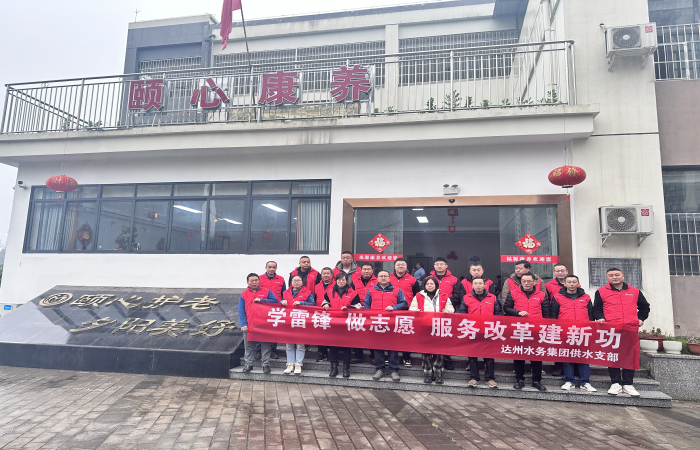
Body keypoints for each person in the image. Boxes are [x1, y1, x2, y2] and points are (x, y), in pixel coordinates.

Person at [593, 268, 650, 397]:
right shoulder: (601, 292)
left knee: (630, 355)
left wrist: (640, 318)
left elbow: (645, 307)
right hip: (611, 329)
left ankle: (628, 383)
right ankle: (616, 383)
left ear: (623, 276)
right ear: (607, 278)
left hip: (630, 329)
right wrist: (600, 317)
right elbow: (596, 309)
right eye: (611, 275)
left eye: (617, 275)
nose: (614, 277)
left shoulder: (634, 291)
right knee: (612, 355)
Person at [549, 274, 597, 392]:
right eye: (569, 282)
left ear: (578, 284)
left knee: (584, 357)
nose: (571, 284)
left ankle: (585, 382)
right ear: (565, 284)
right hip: (566, 331)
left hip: (583, 332)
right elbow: (553, 315)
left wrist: (591, 329)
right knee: (567, 357)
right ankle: (569, 381)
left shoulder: (586, 297)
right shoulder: (558, 297)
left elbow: (591, 315)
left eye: (574, 282)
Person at [504, 272, 549, 391]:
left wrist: (545, 329)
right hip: (519, 329)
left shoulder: (542, 295)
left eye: (529, 281)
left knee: (536, 355)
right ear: (521, 282)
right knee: (519, 355)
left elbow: (546, 313)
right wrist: (517, 312)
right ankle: (519, 379)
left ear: (534, 282)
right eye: (524, 281)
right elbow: (506, 308)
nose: (526, 283)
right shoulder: (513, 293)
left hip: (536, 329)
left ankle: (536, 380)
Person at [364, 270, 408, 382]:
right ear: (377, 278)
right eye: (381, 276)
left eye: (385, 276)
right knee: (378, 346)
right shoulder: (371, 290)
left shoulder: (397, 290)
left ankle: (394, 370)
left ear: (389, 278)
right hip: (376, 322)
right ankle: (379, 369)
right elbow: (366, 306)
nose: (383, 278)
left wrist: (394, 308)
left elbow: (404, 303)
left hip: (391, 323)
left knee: (392, 346)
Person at [409, 276, 453, 384]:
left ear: (436, 285)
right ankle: (427, 374)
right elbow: (412, 308)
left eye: (432, 284)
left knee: (439, 351)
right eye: (427, 284)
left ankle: (438, 374)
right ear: (424, 285)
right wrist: (418, 311)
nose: (429, 286)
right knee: (426, 352)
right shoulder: (418, 296)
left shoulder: (444, 295)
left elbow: (451, 308)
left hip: (439, 326)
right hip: (424, 327)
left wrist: (447, 311)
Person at [460, 277, 501, 388]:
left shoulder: (492, 297)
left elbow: (498, 314)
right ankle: (474, 378)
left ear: (484, 285)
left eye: (480, 283)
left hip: (488, 330)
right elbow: (462, 314)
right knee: (472, 356)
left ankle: (490, 378)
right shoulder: (466, 298)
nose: (478, 285)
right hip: (473, 330)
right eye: (475, 283)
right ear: (472, 285)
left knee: (489, 356)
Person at [322, 272, 362, 378]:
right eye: (339, 280)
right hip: (333, 322)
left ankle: (346, 368)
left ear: (346, 281)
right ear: (336, 281)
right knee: (333, 346)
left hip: (346, 323)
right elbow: (325, 301)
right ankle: (334, 367)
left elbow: (358, 306)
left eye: (343, 280)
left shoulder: (353, 293)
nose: (341, 282)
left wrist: (349, 308)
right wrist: (325, 304)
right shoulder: (329, 291)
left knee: (346, 346)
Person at [238, 273, 279, 374]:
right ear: (247, 282)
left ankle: (266, 364)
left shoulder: (266, 291)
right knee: (249, 346)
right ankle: (249, 364)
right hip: (249, 324)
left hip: (264, 324)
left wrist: (262, 300)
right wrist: (243, 324)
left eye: (256, 280)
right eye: (252, 280)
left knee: (265, 345)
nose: (254, 282)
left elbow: (275, 301)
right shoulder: (244, 294)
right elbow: (241, 310)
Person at [429, 257, 465, 370]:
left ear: (446, 266)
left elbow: (458, 295)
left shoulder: (454, 279)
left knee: (446, 337)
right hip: (431, 312)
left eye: (442, 264)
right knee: (431, 336)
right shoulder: (428, 279)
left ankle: (447, 360)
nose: (439, 266)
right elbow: (423, 293)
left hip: (447, 312)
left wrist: (444, 302)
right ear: (434, 266)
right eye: (437, 264)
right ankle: (433, 360)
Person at [281, 275, 316, 375]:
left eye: (298, 280)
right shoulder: (286, 292)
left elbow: (312, 304)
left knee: (300, 345)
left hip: (301, 321)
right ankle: (290, 364)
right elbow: (280, 302)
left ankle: (298, 364)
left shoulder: (307, 292)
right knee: (289, 345)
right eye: (294, 280)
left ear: (302, 282)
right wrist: (282, 301)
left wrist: (301, 303)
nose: (296, 282)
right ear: (291, 282)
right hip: (288, 321)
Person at [390, 258, 421, 366]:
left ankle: (406, 357)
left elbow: (417, 295)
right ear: (394, 266)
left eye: (403, 264)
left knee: (407, 334)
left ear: (406, 266)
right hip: (392, 309)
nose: (400, 266)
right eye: (398, 264)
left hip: (407, 310)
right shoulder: (388, 278)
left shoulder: (412, 279)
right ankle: (391, 357)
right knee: (391, 334)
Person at [349, 262, 378, 363]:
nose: (366, 271)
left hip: (372, 311)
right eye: (364, 269)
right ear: (361, 271)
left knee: (373, 334)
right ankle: (358, 356)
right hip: (358, 311)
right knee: (357, 333)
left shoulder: (377, 281)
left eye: (368, 269)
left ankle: (373, 356)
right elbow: (350, 295)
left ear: (372, 271)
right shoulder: (355, 282)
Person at [257, 261, 286, 360]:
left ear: (276, 268)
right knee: (260, 330)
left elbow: (284, 294)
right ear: (266, 268)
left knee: (274, 331)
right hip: (262, 307)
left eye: (274, 267)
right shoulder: (259, 279)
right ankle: (258, 351)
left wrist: (283, 301)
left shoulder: (281, 279)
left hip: (275, 308)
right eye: (269, 267)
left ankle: (273, 351)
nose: (271, 269)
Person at [544, 263, 569, 377]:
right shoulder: (548, 285)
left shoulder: (573, 283)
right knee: (558, 344)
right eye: (557, 271)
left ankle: (574, 367)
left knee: (572, 344)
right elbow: (545, 302)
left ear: (566, 271)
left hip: (571, 319)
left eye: (562, 270)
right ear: (554, 272)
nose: (560, 273)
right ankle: (558, 367)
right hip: (555, 318)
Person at [314, 267, 336, 362]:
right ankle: (322, 353)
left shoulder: (336, 285)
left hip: (332, 313)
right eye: (324, 273)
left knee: (331, 334)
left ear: (332, 275)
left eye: (328, 273)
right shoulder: (317, 286)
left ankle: (332, 353)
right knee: (320, 334)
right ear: (321, 275)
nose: (326, 275)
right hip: (320, 313)